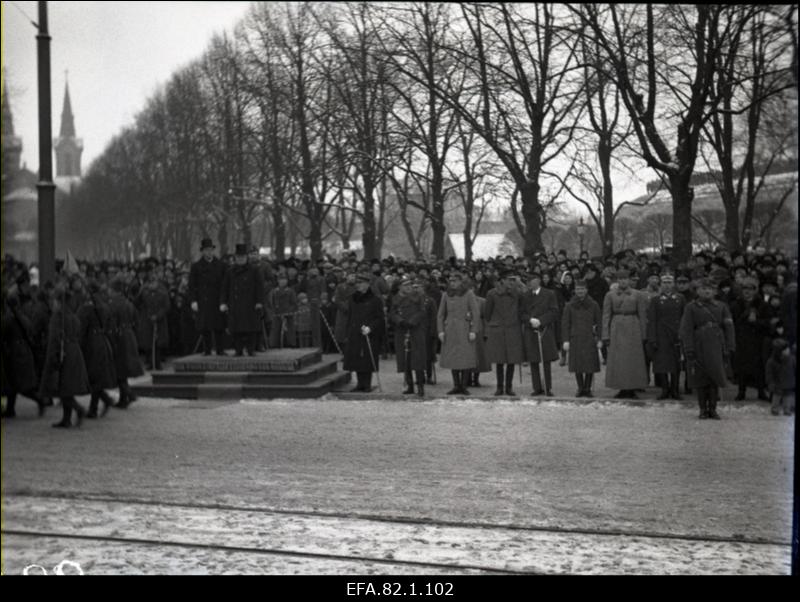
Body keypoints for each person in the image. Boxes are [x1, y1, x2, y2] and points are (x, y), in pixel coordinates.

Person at [679, 279, 736, 419]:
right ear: (697, 291)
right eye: (703, 288)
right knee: (700, 377)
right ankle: (702, 409)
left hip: (717, 344)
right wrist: (689, 348)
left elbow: (729, 327)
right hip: (699, 345)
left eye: (710, 288)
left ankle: (713, 409)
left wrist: (730, 345)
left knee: (714, 377)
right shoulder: (691, 307)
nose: (707, 291)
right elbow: (686, 329)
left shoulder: (722, 306)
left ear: (715, 291)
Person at [39, 287, 91, 428]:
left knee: (62, 387)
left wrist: (52, 357)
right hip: (74, 351)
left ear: (59, 301)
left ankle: (78, 409)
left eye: (55, 300)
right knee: (66, 387)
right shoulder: (73, 316)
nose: (53, 303)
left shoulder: (58, 317)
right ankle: (66, 419)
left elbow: (54, 339)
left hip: (64, 353)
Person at [602, 270, 648, 399]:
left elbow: (642, 315)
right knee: (618, 359)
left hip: (633, 326)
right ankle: (621, 387)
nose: (623, 281)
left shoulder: (638, 294)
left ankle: (633, 387)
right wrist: (605, 334)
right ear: (617, 281)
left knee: (633, 359)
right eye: (620, 279)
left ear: (629, 280)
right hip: (616, 326)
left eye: (625, 279)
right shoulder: (609, 295)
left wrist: (644, 334)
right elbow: (606, 315)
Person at [1, 293, 46, 418]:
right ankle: (10, 409)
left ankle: (39, 400)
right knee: (14, 383)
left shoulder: (9, 318)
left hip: (15, 354)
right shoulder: (22, 317)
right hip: (24, 352)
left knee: (20, 385)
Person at [78, 280, 118, 418]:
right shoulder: (104, 306)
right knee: (97, 376)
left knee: (92, 376)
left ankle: (100, 404)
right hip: (102, 341)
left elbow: (82, 328)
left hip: (91, 344)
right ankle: (96, 406)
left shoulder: (86, 308)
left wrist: (79, 345)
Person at [437, 272, 480, 395]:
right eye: (451, 281)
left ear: (461, 282)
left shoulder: (468, 294)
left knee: (465, 357)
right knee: (453, 357)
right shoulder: (446, 295)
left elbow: (475, 313)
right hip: (450, 329)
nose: (452, 283)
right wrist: (440, 330)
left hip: (464, 329)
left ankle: (464, 385)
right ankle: (456, 385)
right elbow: (440, 315)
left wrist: (473, 330)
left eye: (455, 281)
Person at [220, 243, 266, 356]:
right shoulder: (230, 271)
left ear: (246, 258)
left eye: (243, 257)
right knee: (236, 329)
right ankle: (238, 350)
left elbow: (259, 287)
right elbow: (224, 288)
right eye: (238, 257)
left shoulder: (254, 270)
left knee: (251, 328)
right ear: (235, 258)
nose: (240, 259)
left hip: (250, 304)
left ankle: (250, 350)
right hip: (235, 304)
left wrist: (259, 301)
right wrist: (223, 302)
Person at [483, 271, 524, 396]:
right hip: (498, 330)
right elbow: (487, 313)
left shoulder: (517, 293)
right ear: (502, 280)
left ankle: (509, 387)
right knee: (499, 360)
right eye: (509, 280)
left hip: (512, 329)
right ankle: (500, 387)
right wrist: (495, 323)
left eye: (513, 280)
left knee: (511, 360)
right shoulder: (492, 293)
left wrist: (520, 282)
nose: (511, 282)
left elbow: (523, 306)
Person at [646, 273, 686, 400]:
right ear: (661, 285)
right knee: (662, 363)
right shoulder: (656, 300)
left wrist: (683, 334)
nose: (667, 286)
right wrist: (652, 338)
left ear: (673, 284)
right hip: (661, 335)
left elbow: (684, 318)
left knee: (676, 363)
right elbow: (652, 320)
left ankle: (675, 389)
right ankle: (664, 389)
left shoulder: (680, 298)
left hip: (676, 334)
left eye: (669, 283)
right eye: (664, 283)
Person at [343, 273, 385, 392]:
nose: (358, 285)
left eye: (361, 283)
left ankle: (367, 384)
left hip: (368, 333)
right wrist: (348, 331)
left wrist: (370, 328)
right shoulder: (352, 298)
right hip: (355, 333)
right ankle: (359, 384)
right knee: (356, 359)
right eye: (357, 283)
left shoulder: (375, 299)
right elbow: (350, 316)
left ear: (367, 284)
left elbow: (379, 318)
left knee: (367, 359)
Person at [729, 277, 769, 401]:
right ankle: (741, 392)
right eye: (745, 288)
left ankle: (761, 392)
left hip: (757, 339)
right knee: (742, 367)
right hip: (741, 339)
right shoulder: (735, 304)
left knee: (759, 367)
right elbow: (732, 322)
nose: (747, 291)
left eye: (751, 288)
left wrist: (756, 321)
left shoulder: (762, 305)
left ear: (755, 290)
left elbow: (768, 323)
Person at [108, 277, 145, 409]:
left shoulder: (113, 304)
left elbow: (111, 323)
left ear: (115, 290)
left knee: (119, 369)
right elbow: (137, 321)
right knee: (123, 369)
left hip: (119, 338)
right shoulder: (129, 303)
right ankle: (124, 397)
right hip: (129, 335)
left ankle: (128, 394)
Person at [561, 280, 602, 397]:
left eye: (582, 289)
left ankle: (588, 388)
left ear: (586, 290)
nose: (580, 291)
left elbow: (599, 322)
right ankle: (580, 387)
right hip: (575, 338)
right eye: (578, 289)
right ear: (575, 290)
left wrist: (599, 339)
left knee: (590, 364)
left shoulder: (594, 305)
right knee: (577, 365)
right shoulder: (569, 306)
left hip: (589, 338)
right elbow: (565, 324)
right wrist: (565, 340)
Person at [521, 272, 559, 396]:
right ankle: (537, 387)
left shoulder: (549, 294)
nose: (529, 283)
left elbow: (554, 312)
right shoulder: (525, 296)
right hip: (530, 329)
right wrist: (530, 320)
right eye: (528, 280)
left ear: (538, 281)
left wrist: (541, 321)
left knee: (546, 360)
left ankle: (548, 387)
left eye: (531, 280)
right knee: (533, 360)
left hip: (545, 329)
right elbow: (521, 313)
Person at [390, 277, 428, 397]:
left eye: (409, 285)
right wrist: (400, 321)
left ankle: (420, 386)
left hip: (415, 330)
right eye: (405, 285)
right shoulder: (395, 299)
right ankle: (409, 385)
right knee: (405, 359)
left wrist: (412, 321)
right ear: (400, 287)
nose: (408, 287)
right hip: (402, 331)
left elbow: (422, 311)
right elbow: (392, 313)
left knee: (418, 359)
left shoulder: (418, 297)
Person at [188, 238, 227, 356]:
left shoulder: (221, 265)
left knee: (219, 326)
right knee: (205, 327)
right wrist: (193, 300)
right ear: (202, 251)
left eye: (210, 250)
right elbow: (192, 285)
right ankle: (207, 350)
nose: (209, 252)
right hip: (203, 300)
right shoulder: (196, 267)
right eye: (206, 250)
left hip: (217, 300)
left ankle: (220, 349)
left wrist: (224, 301)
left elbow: (224, 285)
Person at [136, 273, 170, 370]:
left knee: (158, 343)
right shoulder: (144, 292)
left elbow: (166, 306)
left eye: (154, 281)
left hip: (159, 322)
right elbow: (137, 303)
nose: (152, 284)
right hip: (147, 321)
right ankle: (151, 362)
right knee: (149, 343)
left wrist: (158, 316)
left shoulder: (163, 293)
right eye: (150, 282)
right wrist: (141, 290)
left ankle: (158, 363)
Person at [266, 273, 298, 349]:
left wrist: (288, 312)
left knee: (289, 330)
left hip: (288, 314)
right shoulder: (273, 291)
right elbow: (270, 303)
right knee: (275, 330)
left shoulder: (290, 291)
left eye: (284, 280)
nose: (283, 281)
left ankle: (291, 344)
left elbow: (294, 303)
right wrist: (273, 312)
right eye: (281, 280)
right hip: (276, 314)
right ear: (278, 281)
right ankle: (273, 345)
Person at [765, 338, 795, 416]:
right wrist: (770, 383)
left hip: (789, 382)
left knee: (787, 398)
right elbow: (769, 374)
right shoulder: (772, 362)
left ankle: (787, 409)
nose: (788, 350)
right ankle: (775, 409)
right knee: (776, 397)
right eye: (785, 349)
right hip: (778, 383)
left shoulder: (792, 359)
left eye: (788, 349)